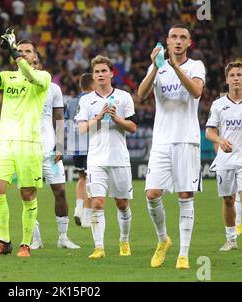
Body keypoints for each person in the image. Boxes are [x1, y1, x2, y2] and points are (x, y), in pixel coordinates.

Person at [0, 27, 51, 257]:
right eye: (19, 50)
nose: (22, 53)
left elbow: (29, 75)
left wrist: (13, 53)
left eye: (27, 51)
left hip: (29, 143)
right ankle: (4, 242)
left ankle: (26, 244)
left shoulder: (42, 77)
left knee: (28, 194)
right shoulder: (8, 77)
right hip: (6, 142)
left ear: (35, 57)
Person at [138, 24, 206, 269]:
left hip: (187, 139)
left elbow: (196, 91)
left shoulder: (196, 66)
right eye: (174, 37)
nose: (178, 41)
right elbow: (141, 94)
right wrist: (156, 68)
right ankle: (163, 239)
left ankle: (184, 254)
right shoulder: (157, 66)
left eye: (183, 37)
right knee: (152, 194)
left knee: (185, 194)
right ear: (167, 42)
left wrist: (175, 67)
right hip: (161, 141)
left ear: (189, 43)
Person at [75, 55, 137, 259]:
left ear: (111, 73)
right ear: (93, 76)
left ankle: (124, 241)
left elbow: (133, 127)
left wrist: (117, 118)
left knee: (122, 204)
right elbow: (81, 129)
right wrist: (98, 117)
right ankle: (99, 247)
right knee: (97, 203)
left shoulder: (124, 97)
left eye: (104, 71)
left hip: (119, 159)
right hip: (96, 160)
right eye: (97, 72)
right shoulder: (86, 100)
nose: (100, 74)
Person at [205, 61, 242, 252]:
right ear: (227, 79)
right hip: (225, 161)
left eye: (239, 75)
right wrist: (220, 140)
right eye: (232, 75)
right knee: (228, 200)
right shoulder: (218, 105)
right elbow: (209, 132)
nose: (236, 78)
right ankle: (231, 239)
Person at [29, 57, 80, 250]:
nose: (31, 66)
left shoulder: (53, 88)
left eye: (34, 62)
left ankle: (63, 237)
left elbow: (59, 118)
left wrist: (59, 145)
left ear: (40, 65)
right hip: (27, 151)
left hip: (49, 150)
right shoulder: (17, 88)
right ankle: (35, 238)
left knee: (60, 191)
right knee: (29, 195)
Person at [65, 73, 95, 228]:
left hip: (75, 147)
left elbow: (64, 124)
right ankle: (87, 216)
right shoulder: (92, 101)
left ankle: (78, 209)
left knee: (81, 178)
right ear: (92, 85)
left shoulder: (71, 102)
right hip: (90, 145)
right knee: (91, 179)